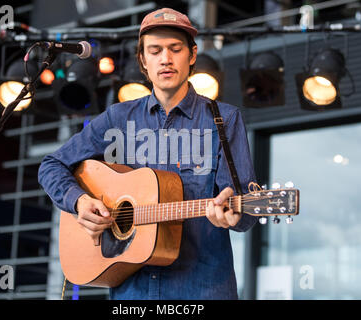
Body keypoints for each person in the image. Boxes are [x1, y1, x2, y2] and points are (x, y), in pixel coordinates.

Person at [38, 7, 257, 300]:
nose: (165, 59)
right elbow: (51, 165)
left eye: (175, 49)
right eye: (155, 51)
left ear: (192, 55)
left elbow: (244, 208)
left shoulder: (224, 120)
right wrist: (79, 202)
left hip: (202, 290)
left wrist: (233, 215)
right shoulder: (118, 118)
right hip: (132, 293)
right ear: (143, 59)